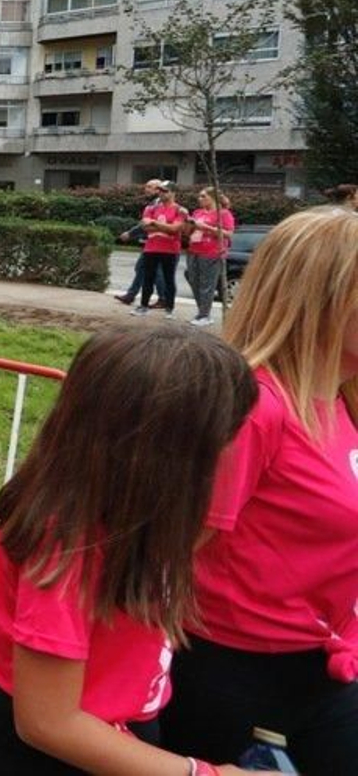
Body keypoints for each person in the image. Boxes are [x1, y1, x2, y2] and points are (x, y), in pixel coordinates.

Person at [0, 324, 257, 775]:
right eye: (215, 445)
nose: (228, 457)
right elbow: (48, 722)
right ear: (159, 455)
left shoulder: (135, 517)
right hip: (48, 757)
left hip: (120, 729)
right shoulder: (65, 546)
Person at [161, 208, 358, 772]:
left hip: (323, 664)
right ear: (321, 300)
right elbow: (165, 556)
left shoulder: (339, 401)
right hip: (234, 677)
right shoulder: (254, 407)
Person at [132, 183, 185, 316]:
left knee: (169, 278)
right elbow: (145, 227)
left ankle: (169, 307)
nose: (161, 193)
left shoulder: (180, 210)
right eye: (160, 191)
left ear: (173, 193)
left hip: (170, 249)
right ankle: (143, 305)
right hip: (151, 247)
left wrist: (155, 223)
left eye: (165, 191)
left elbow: (175, 229)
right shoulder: (151, 208)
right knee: (148, 277)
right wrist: (166, 226)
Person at [185, 188, 234, 327]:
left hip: (212, 252)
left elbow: (229, 234)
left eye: (203, 196)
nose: (199, 199)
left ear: (213, 198)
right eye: (199, 196)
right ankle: (202, 311)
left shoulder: (223, 213)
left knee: (207, 284)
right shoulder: (197, 212)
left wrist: (206, 227)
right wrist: (188, 224)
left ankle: (204, 315)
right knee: (194, 279)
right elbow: (190, 231)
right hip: (194, 249)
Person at [114, 179, 166, 306]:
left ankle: (163, 297)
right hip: (152, 241)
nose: (146, 189)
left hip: (157, 242)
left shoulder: (158, 204)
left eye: (149, 187)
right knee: (143, 268)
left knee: (152, 269)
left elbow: (146, 223)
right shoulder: (155, 203)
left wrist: (130, 233)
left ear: (158, 190)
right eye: (146, 186)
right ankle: (131, 295)